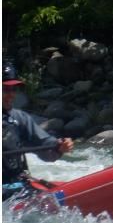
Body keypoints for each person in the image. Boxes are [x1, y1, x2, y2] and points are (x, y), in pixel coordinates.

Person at [3, 62, 74, 199]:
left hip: (17, 187)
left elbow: (44, 144)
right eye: (5, 89)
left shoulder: (19, 118)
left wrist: (59, 146)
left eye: (14, 89)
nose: (11, 94)